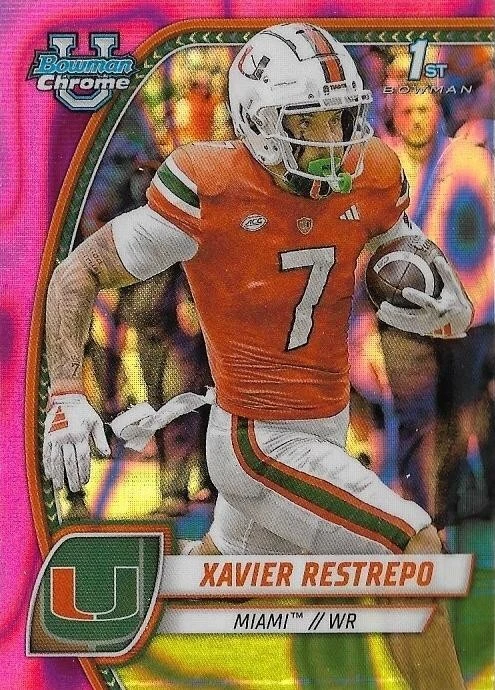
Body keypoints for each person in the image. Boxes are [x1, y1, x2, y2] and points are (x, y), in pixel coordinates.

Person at [42, 24, 473, 689]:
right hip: (259, 437)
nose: (333, 140)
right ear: (260, 122)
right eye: (311, 121)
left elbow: (394, 241)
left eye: (340, 117)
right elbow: (77, 273)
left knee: (216, 585)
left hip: (321, 422)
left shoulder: (371, 172)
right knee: (408, 548)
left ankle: (74, 618)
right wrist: (67, 393)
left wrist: (415, 274)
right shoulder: (210, 184)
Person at [380, 82, 494, 526]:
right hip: (402, 317)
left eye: (424, 109)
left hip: (466, 314)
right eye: (407, 111)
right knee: (414, 422)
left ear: (438, 110)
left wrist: (484, 296)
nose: (417, 120)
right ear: (394, 115)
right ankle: (424, 520)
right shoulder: (379, 169)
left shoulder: (470, 161)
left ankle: (447, 509)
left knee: (461, 421)